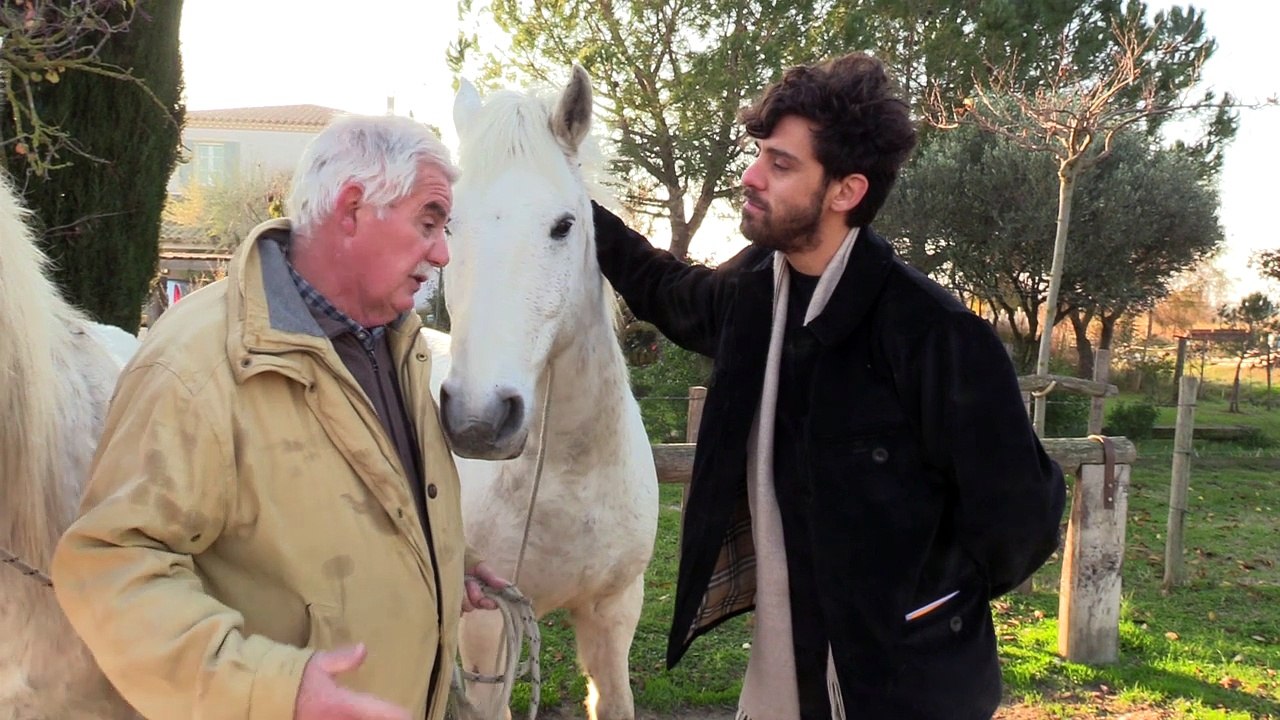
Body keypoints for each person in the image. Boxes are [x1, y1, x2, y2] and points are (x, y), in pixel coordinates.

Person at [592, 52, 1066, 719]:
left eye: (781, 164)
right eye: (759, 155)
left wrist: (923, 606)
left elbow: (1021, 522)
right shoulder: (755, 290)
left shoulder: (933, 333)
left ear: (846, 191)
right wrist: (572, 210)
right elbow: (668, 291)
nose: (751, 176)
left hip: (909, 690)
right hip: (784, 676)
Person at [52, 114, 506, 720]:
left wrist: (444, 561)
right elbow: (111, 564)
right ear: (352, 209)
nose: (443, 253)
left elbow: (361, 502)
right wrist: (270, 690)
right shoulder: (196, 364)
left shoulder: (395, 341)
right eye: (429, 222)